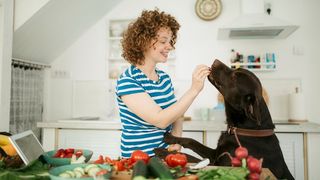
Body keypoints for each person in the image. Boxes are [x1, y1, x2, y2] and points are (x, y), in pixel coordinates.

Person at [116, 9, 210, 158]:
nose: (170, 46)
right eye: (163, 41)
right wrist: (194, 89)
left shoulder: (164, 78)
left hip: (167, 157)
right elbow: (160, 120)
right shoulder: (128, 80)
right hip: (138, 161)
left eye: (170, 41)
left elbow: (177, 113)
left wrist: (177, 140)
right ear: (144, 41)